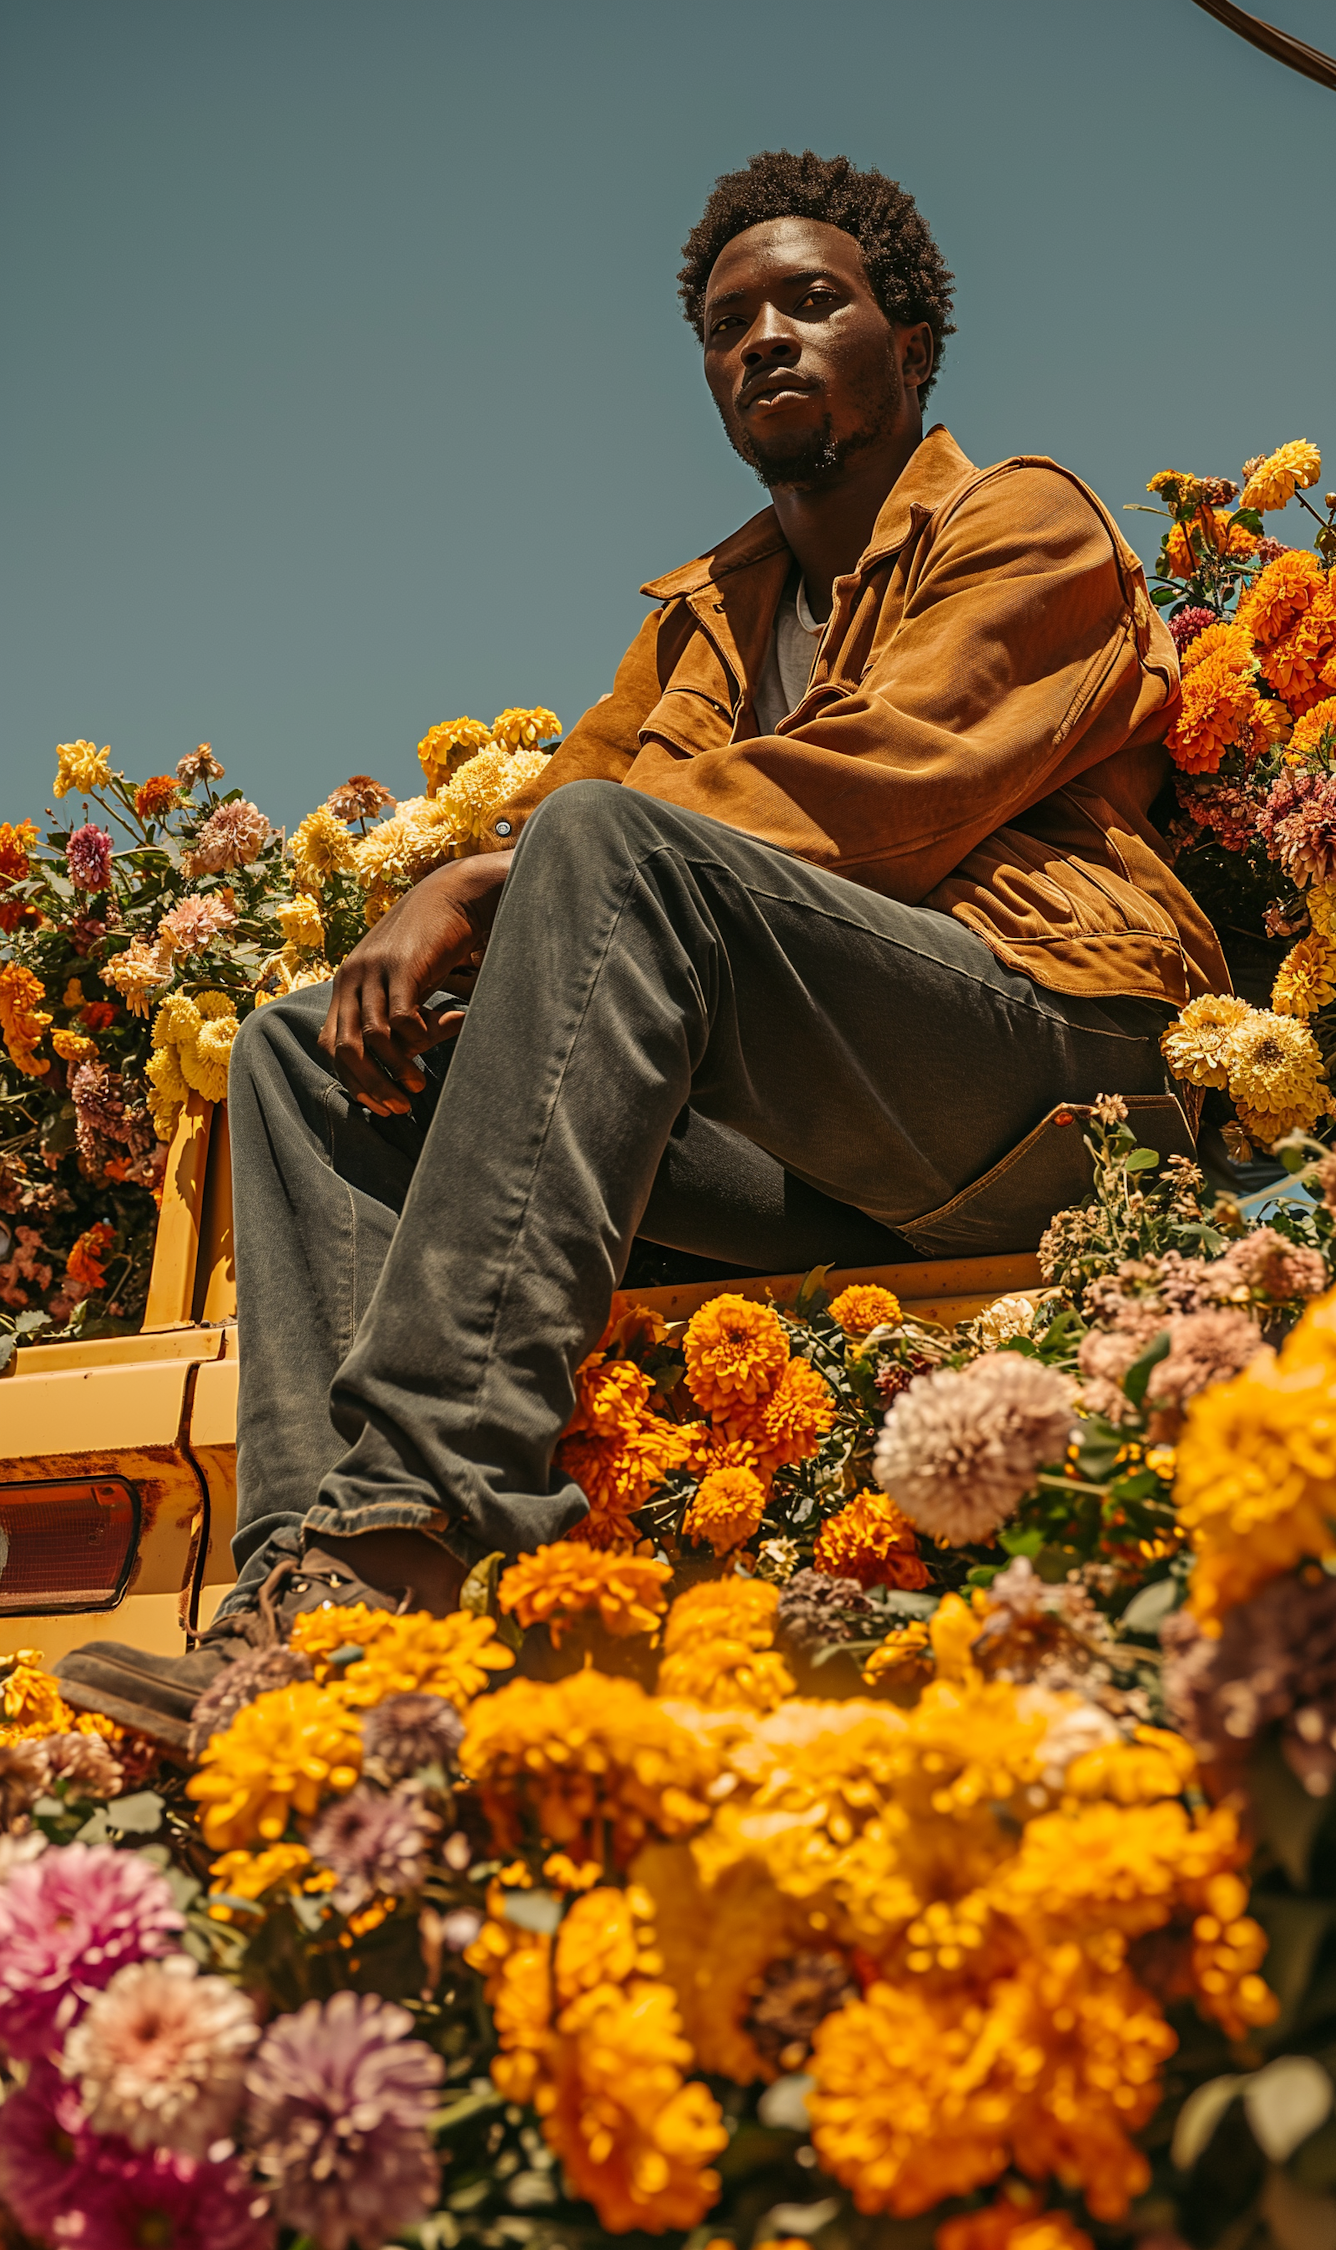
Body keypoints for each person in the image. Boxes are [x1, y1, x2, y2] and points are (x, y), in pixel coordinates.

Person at [59, 149, 1227, 1745]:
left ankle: (407, 1528)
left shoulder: (1024, 520)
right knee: (300, 1051)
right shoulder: (704, 621)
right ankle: (305, 1612)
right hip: (834, 1146)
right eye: (728, 320)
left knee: (599, 854)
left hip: (1052, 1065)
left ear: (911, 341)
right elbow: (570, 825)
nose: (766, 338)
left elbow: (897, 787)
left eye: (815, 300)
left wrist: (491, 867)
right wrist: (463, 901)